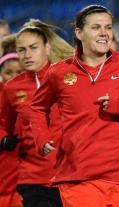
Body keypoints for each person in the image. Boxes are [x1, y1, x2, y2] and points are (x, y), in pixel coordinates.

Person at [30, 5, 119, 207]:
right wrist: (41, 136)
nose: (104, 33)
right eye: (96, 27)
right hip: (77, 176)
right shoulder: (59, 72)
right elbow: (37, 107)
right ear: (79, 33)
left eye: (108, 28)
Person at [0, 19, 74, 207]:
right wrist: (3, 139)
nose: (27, 55)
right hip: (34, 178)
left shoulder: (69, 77)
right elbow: (2, 123)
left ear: (47, 48)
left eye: (33, 48)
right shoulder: (12, 88)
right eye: (22, 50)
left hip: (72, 175)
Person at [0, 34, 23, 207]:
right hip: (4, 168)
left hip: (24, 176)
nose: (14, 77)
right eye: (8, 72)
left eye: (19, 72)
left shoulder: (36, 93)